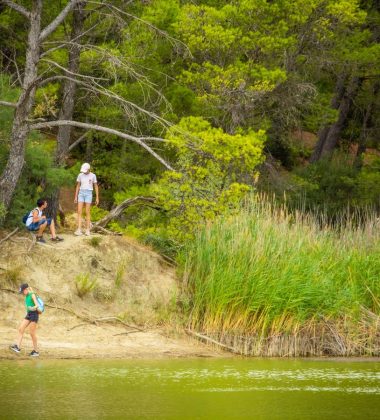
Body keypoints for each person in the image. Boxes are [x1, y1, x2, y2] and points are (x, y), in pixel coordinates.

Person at [10, 283, 40, 357]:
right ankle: (17, 347)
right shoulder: (26, 295)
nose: (22, 293)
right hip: (29, 314)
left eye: (23, 291)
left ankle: (36, 351)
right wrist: (29, 310)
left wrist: (32, 308)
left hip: (34, 314)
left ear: (26, 289)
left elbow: (37, 305)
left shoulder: (32, 294)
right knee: (21, 328)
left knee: (32, 333)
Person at [74, 162, 99, 236]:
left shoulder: (93, 175)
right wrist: (76, 196)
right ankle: (79, 229)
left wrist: (97, 197)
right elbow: (78, 186)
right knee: (79, 211)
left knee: (87, 211)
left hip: (89, 193)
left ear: (88, 169)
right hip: (81, 193)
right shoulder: (80, 175)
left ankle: (88, 230)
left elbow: (96, 186)